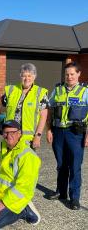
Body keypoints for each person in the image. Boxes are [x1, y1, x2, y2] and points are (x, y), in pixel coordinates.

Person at [46, 62, 88, 210]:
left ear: (78, 74)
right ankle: (61, 192)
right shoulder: (57, 90)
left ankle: (75, 198)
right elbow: (49, 110)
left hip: (76, 133)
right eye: (67, 74)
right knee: (61, 164)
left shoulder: (85, 92)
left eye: (72, 74)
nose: (69, 77)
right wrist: (49, 129)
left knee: (75, 166)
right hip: (58, 132)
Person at [0, 63, 48, 148]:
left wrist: (38, 136)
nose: (26, 78)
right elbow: (0, 109)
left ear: (34, 76)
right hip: (10, 136)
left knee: (26, 160)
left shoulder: (40, 93)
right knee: (8, 160)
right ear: (20, 76)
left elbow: (43, 116)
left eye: (29, 76)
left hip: (28, 139)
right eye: (24, 76)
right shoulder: (11, 90)